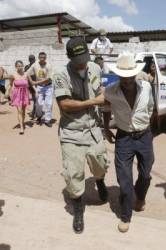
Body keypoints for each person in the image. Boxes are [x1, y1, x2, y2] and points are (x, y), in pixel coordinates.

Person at [52, 37, 109, 234]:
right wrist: (93, 102)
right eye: (78, 59)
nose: (83, 62)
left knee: (100, 164)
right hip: (72, 132)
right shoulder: (61, 74)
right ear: (70, 57)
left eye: (85, 57)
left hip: (93, 129)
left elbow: (98, 86)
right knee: (73, 173)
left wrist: (102, 92)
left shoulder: (94, 68)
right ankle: (78, 208)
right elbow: (64, 104)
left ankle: (100, 180)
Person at [103, 52, 154, 233]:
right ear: (118, 75)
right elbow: (105, 107)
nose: (127, 80)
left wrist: (145, 124)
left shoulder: (146, 87)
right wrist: (106, 127)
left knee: (146, 174)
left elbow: (150, 108)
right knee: (124, 181)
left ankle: (140, 196)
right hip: (123, 138)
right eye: (123, 77)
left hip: (145, 136)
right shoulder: (110, 90)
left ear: (135, 74)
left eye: (130, 76)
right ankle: (125, 216)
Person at [27, 52, 53, 127]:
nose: (42, 59)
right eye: (41, 57)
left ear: (46, 58)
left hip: (48, 86)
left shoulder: (49, 65)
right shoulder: (35, 65)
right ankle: (39, 116)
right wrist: (31, 81)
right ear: (38, 57)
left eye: (44, 57)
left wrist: (35, 82)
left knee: (49, 103)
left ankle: (47, 120)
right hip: (39, 87)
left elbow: (49, 79)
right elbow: (27, 73)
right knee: (39, 103)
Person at [9, 61, 31, 134]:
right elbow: (11, 84)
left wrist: (35, 91)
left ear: (23, 66)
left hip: (25, 94)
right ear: (16, 66)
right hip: (17, 94)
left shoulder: (26, 74)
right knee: (19, 111)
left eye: (21, 66)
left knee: (23, 112)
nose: (20, 67)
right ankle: (21, 128)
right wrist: (10, 94)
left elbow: (31, 83)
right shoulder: (13, 75)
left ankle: (23, 123)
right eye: (18, 66)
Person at [24, 55, 37, 119]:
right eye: (30, 59)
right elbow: (25, 75)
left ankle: (34, 112)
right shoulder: (27, 67)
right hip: (29, 85)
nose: (31, 60)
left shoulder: (37, 66)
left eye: (32, 59)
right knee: (33, 99)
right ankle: (34, 112)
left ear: (34, 59)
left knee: (35, 99)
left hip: (36, 85)